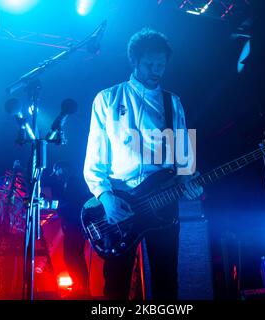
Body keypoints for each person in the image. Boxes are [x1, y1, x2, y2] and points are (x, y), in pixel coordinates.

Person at [83, 28, 203, 300]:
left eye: (161, 65)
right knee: (116, 285)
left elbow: (184, 160)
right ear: (134, 61)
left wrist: (190, 181)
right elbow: (95, 157)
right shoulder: (107, 99)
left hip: (164, 198)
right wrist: (105, 196)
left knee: (166, 281)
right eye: (150, 64)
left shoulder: (173, 102)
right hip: (120, 201)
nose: (156, 70)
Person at [49, 161, 90, 297]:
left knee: (72, 257)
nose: (57, 176)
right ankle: (81, 289)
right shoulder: (70, 183)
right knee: (74, 257)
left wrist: (60, 209)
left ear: (64, 169)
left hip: (76, 226)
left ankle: (81, 290)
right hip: (74, 226)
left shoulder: (75, 183)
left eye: (58, 173)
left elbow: (75, 203)